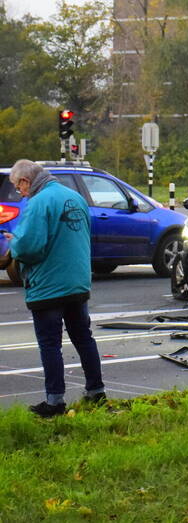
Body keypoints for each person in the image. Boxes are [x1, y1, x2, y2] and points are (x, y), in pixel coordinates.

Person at [2, 160, 105, 417]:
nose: (20, 193)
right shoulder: (75, 197)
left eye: (18, 187)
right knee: (83, 337)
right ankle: (96, 391)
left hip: (49, 285)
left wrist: (15, 244)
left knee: (50, 344)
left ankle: (55, 402)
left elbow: (30, 248)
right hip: (77, 281)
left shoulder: (38, 202)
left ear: (26, 181)